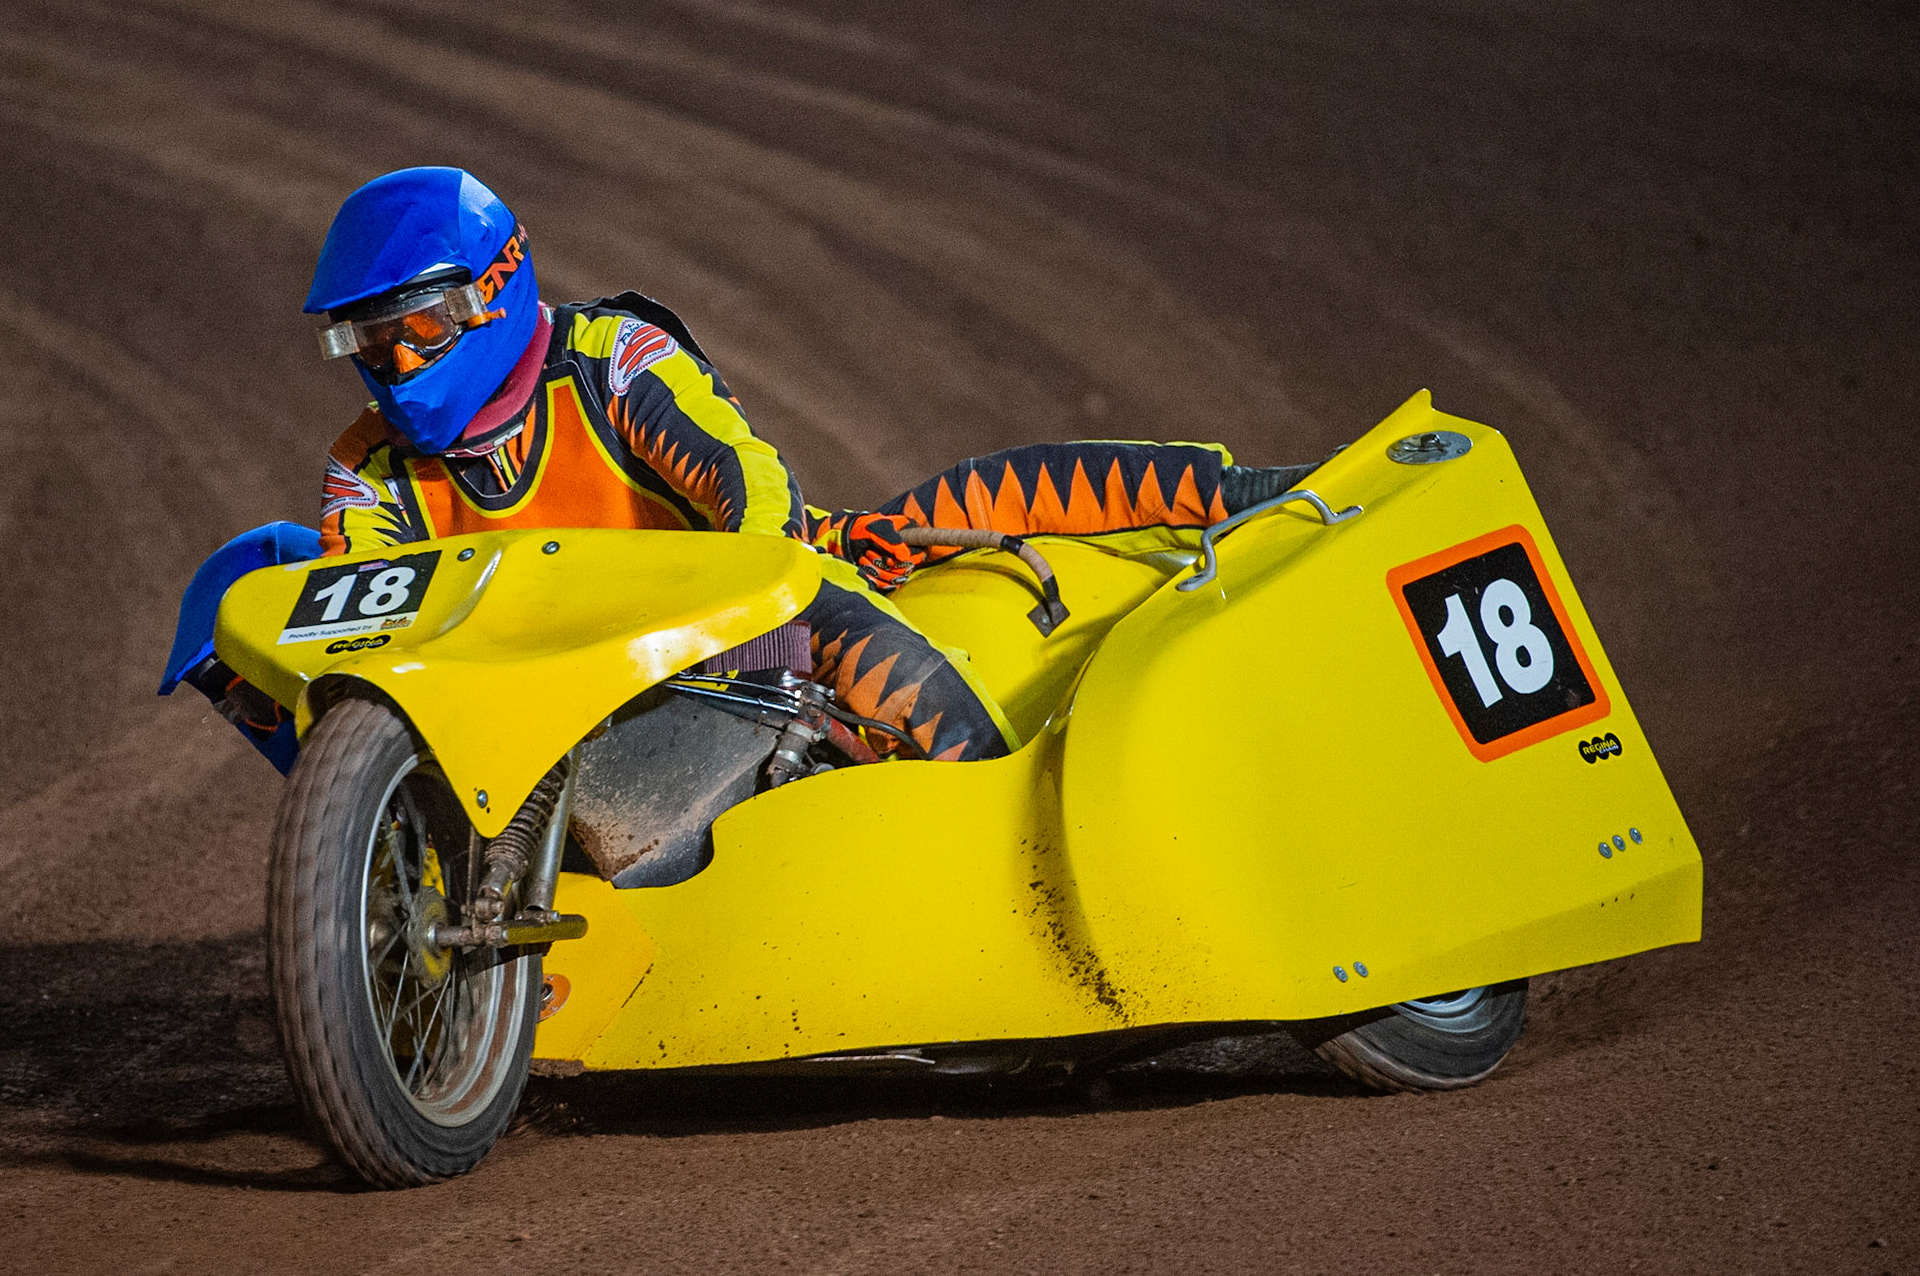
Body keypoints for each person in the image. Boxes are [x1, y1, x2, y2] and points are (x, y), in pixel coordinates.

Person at [169, 167, 1315, 766]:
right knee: (238, 592)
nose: (392, 362)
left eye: (414, 327)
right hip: (540, 724)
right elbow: (371, 643)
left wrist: (743, 607)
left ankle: (1281, 495)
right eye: (365, 342)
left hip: (734, 642)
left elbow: (754, 489)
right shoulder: (364, 471)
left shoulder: (613, 361)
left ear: (493, 292)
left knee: (995, 531)